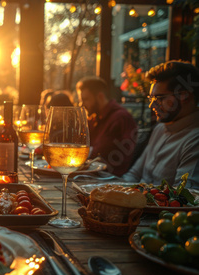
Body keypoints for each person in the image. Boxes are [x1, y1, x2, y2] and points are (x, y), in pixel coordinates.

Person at [123, 61, 199, 189]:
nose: (151, 105)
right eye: (151, 98)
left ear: (185, 96)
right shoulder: (160, 129)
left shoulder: (195, 141)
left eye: (159, 98)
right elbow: (134, 175)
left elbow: (183, 197)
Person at [76, 76, 137, 176]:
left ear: (100, 96)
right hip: (90, 173)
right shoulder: (95, 117)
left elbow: (121, 158)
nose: (82, 104)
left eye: (85, 99)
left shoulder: (121, 118)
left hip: (108, 178)